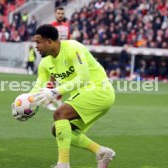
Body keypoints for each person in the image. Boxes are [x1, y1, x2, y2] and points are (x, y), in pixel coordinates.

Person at [30, 25, 116, 168]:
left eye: (38, 42)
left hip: (100, 90)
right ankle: (101, 152)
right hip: (84, 96)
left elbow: (83, 78)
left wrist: (55, 92)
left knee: (60, 114)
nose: (36, 46)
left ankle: (63, 165)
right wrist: (26, 102)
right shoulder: (45, 63)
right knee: (58, 129)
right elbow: (39, 86)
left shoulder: (73, 48)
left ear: (50, 41)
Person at [46, 6, 70, 110]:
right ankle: (48, 101)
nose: (60, 15)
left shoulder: (66, 26)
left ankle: (58, 97)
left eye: (62, 13)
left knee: (67, 78)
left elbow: (68, 39)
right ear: (55, 14)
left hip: (64, 54)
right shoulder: (51, 26)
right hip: (54, 54)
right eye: (59, 13)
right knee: (53, 78)